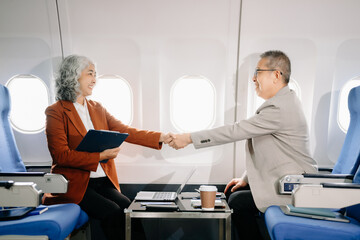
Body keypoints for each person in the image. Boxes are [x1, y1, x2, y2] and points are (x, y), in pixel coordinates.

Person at [167, 50, 318, 239]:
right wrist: (246, 179)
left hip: (292, 188)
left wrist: (188, 138)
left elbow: (235, 130)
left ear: (276, 75)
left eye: (258, 72)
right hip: (284, 181)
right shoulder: (282, 102)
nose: (253, 79)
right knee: (234, 195)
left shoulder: (279, 108)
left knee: (237, 202)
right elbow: (271, 148)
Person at [43, 55, 172, 240]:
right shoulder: (56, 111)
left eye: (96, 74)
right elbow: (61, 155)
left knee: (128, 207)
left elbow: (125, 131)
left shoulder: (97, 108)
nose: (95, 79)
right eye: (90, 73)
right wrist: (99, 156)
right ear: (73, 76)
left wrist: (161, 137)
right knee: (111, 212)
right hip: (74, 184)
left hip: (100, 182)